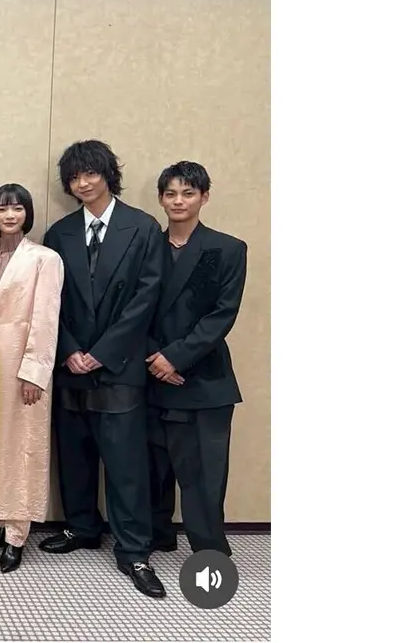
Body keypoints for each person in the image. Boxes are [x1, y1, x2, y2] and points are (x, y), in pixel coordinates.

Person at [38, 140, 167, 599]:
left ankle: (134, 550)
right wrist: (70, 349)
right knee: (74, 454)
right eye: (74, 177)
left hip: (120, 364)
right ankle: (81, 527)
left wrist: (104, 351)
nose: (83, 183)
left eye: (90, 173)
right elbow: (50, 301)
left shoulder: (143, 227)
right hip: (71, 363)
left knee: (126, 463)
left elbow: (146, 299)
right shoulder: (59, 233)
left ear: (108, 174)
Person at [145, 161, 247, 557]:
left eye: (188, 193)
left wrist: (175, 358)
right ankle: (157, 536)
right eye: (170, 193)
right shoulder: (145, 246)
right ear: (160, 199)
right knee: (153, 468)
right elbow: (131, 310)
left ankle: (209, 552)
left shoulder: (228, 248)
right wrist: (154, 358)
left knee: (204, 474)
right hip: (150, 372)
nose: (179, 201)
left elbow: (222, 315)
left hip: (203, 378)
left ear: (204, 197)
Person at [0, 183, 64, 573]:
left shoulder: (45, 258)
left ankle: (17, 532)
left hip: (23, 361)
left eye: (17, 208)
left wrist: (35, 372)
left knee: (22, 443)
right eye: (2, 209)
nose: (10, 215)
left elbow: (46, 317)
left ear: (27, 214)